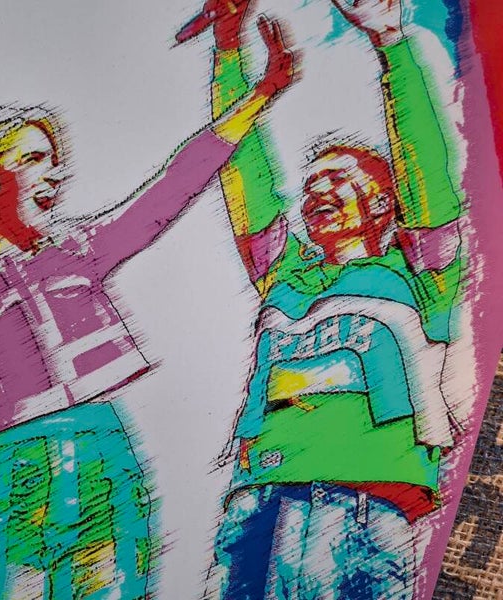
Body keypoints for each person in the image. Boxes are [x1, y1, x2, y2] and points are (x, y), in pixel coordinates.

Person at [0, 16, 294, 600]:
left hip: (105, 460)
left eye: (55, 159)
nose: (56, 173)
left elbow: (173, 186)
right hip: (7, 478)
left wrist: (259, 96)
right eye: (35, 158)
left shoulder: (77, 248)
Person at [178, 0, 464, 597]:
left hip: (365, 506)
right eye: (309, 186)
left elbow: (428, 175)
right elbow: (245, 169)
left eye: (337, 179)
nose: (316, 193)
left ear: (382, 204)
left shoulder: (419, 273)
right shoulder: (285, 277)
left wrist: (392, 44)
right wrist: (228, 53)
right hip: (257, 506)